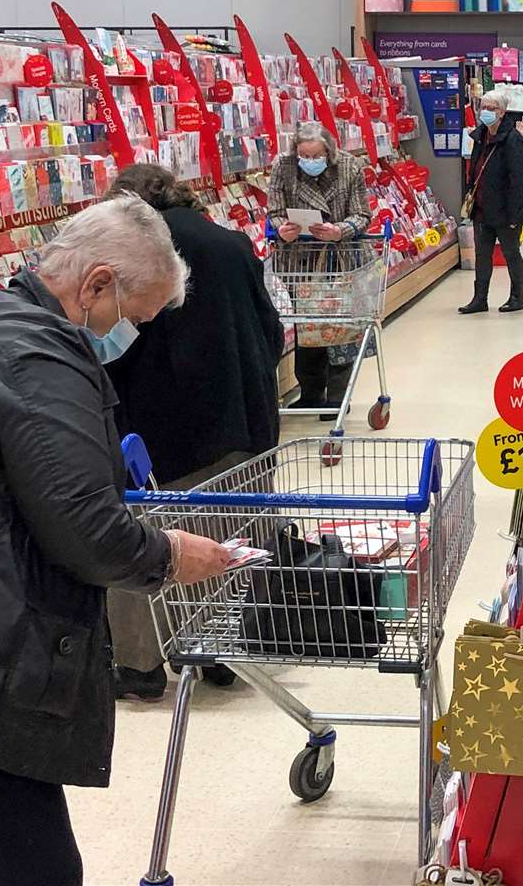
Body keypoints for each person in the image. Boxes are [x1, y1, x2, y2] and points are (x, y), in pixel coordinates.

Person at [0, 195, 232, 886]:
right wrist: (169, 556)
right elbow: (89, 532)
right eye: (135, 319)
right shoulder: (38, 358)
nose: (132, 338)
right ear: (97, 283)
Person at [103, 164, 285, 701]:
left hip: (167, 421)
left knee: (145, 535)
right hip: (244, 415)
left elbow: (119, 346)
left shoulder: (137, 256)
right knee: (231, 530)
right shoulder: (229, 242)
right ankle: (221, 652)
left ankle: (139, 666)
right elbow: (271, 328)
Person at [266, 121, 372, 415]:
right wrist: (281, 229)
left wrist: (339, 230)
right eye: (304, 156)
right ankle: (311, 391)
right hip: (300, 261)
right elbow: (274, 210)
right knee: (308, 327)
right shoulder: (283, 168)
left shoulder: (350, 167)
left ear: (330, 151)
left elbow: (363, 214)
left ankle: (339, 395)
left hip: (340, 258)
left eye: (317, 156)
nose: (310, 162)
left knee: (340, 330)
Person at [459, 89, 523, 314]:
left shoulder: (513, 140)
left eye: (491, 108)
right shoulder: (480, 136)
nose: (486, 112)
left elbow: (520, 180)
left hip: (505, 210)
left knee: (511, 253)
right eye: (483, 107)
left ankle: (516, 297)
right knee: (482, 256)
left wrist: (516, 216)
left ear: (502, 112)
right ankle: (479, 299)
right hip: (482, 208)